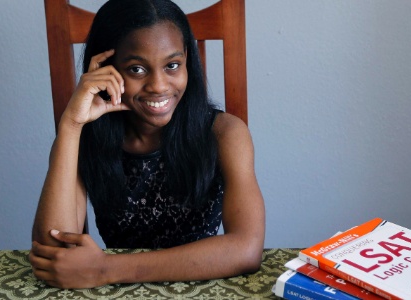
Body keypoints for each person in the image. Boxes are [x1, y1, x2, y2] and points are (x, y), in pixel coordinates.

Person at [29, 0, 265, 289]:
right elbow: (54, 258)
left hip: (199, 285)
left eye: (172, 65)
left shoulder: (225, 133)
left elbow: (246, 250)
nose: (159, 85)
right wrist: (71, 124)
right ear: (105, 69)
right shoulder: (84, 137)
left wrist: (106, 268)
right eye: (137, 69)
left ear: (187, 61)